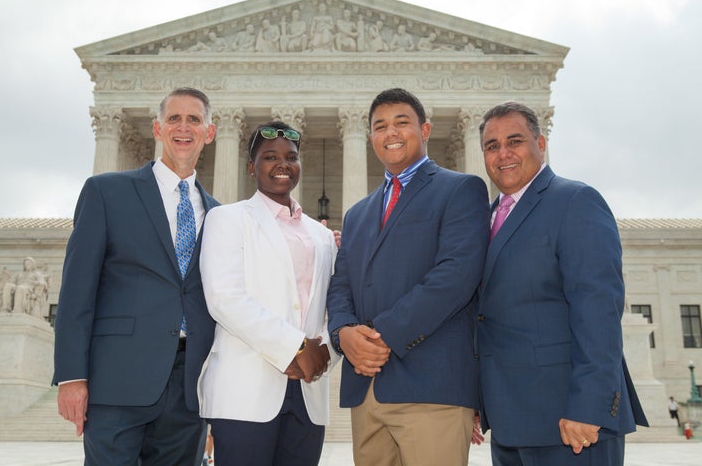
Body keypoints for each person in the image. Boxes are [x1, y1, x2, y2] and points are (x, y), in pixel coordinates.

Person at [476, 100, 648, 465]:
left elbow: (598, 309)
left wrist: (589, 405)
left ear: (541, 143)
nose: (503, 153)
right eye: (492, 146)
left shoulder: (575, 201)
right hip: (510, 421)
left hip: (570, 422)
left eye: (515, 141)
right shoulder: (487, 218)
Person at [53, 87, 219, 465]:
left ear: (209, 132)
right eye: (174, 118)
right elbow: (77, 291)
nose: (183, 127)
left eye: (194, 119)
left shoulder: (219, 214)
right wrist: (72, 376)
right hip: (116, 379)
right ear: (157, 128)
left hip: (188, 386)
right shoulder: (106, 192)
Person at [326, 88, 489, 465]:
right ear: (371, 138)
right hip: (366, 392)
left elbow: (455, 277)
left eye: (402, 122)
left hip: (431, 388)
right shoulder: (358, 214)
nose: (391, 132)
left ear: (426, 129)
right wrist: (344, 333)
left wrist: (380, 337)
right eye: (380, 126)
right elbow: (341, 285)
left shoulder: (460, 189)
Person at [198, 121, 340, 465]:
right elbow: (224, 299)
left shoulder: (321, 237)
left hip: (309, 390)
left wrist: (325, 354)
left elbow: (334, 304)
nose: (282, 164)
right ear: (251, 167)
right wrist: (295, 347)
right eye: (269, 157)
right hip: (245, 392)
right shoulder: (225, 219)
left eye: (291, 157)